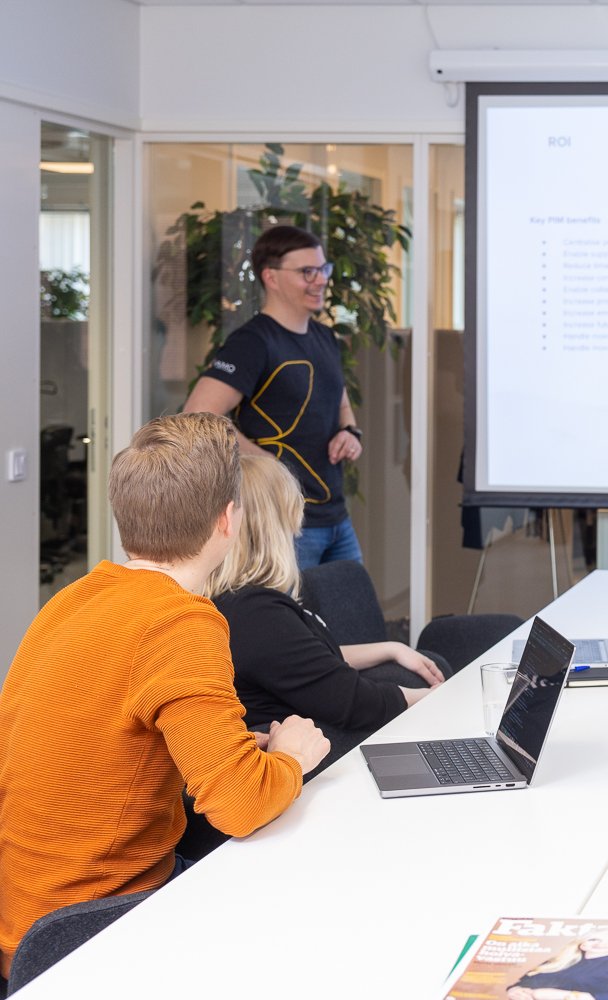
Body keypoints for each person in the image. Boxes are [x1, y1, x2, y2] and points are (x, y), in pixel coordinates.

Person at [0, 413, 330, 976]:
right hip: (89, 927)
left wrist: (227, 749)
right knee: (300, 922)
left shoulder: (74, 596)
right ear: (228, 521)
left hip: (23, 917)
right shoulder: (182, 622)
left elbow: (97, 744)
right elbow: (241, 806)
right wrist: (292, 758)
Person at [205, 454, 444, 742]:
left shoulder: (239, 602)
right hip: (306, 760)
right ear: (274, 527)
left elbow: (305, 664)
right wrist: (437, 698)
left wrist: (389, 648)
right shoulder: (256, 614)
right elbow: (349, 701)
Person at [182, 224, 364, 569]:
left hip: (336, 519)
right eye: (307, 271)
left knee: (349, 618)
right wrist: (266, 464)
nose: (321, 280)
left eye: (323, 269)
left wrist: (350, 432)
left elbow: (340, 401)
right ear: (271, 277)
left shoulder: (325, 337)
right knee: (294, 623)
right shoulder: (252, 342)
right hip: (283, 523)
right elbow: (198, 417)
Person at [506, 926, 608, 1000]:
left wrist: (571, 996)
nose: (601, 944)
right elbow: (526, 982)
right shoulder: (558, 962)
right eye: (594, 939)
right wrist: (515, 989)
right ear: (582, 943)